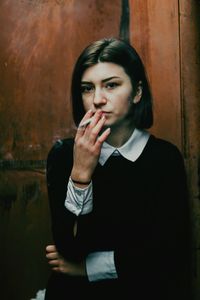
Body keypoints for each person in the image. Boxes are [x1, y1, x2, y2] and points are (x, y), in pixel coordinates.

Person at [44, 37, 191, 300]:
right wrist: (80, 173)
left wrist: (87, 267)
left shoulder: (164, 158)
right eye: (87, 89)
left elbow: (168, 256)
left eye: (111, 85)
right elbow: (69, 249)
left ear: (136, 92)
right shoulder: (64, 155)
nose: (97, 99)